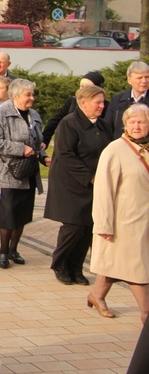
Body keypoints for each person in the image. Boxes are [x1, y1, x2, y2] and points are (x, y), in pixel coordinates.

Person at [43, 85, 111, 286]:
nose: (101, 106)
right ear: (83, 103)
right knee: (73, 226)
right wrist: (90, 177)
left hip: (95, 185)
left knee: (89, 228)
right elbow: (65, 154)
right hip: (71, 184)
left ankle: (76, 267)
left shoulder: (104, 125)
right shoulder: (69, 123)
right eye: (97, 102)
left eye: (102, 102)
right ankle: (60, 264)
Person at [90, 104, 149, 322]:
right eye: (132, 122)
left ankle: (97, 295)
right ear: (124, 124)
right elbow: (104, 190)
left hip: (145, 221)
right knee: (138, 270)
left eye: (141, 121)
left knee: (115, 263)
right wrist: (103, 224)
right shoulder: (114, 150)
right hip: (125, 223)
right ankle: (146, 314)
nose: (137, 126)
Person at [0, 78, 50, 269]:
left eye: (32, 94)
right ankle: (3, 252)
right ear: (15, 96)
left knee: (22, 215)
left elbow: (38, 141)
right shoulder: (2, 114)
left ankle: (14, 249)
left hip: (28, 173)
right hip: (7, 173)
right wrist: (19, 148)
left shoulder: (34, 115)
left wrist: (44, 156)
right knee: (8, 216)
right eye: (28, 95)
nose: (32, 98)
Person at [42, 71, 107, 147]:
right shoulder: (72, 102)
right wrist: (45, 139)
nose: (82, 89)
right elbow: (55, 120)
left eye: (87, 87)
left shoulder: (104, 107)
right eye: (81, 86)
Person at [105, 61, 149, 138]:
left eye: (147, 77)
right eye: (139, 78)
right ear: (129, 80)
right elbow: (107, 128)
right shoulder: (116, 100)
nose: (144, 81)